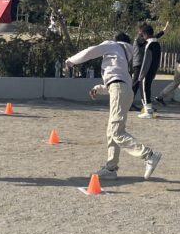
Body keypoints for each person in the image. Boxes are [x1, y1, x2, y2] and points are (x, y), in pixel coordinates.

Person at [65, 33, 162, 180]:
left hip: (119, 89)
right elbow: (117, 82)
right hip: (124, 90)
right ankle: (111, 168)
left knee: (116, 132)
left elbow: (91, 51)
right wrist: (99, 88)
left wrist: (71, 61)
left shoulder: (113, 45)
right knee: (112, 131)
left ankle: (149, 155)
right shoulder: (125, 55)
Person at [133, 23, 164, 118]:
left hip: (146, 71)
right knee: (147, 89)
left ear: (145, 34)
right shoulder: (157, 44)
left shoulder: (149, 44)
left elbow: (146, 61)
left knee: (145, 90)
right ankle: (148, 109)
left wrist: (141, 75)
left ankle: (148, 111)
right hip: (153, 70)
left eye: (142, 34)